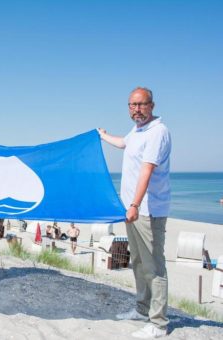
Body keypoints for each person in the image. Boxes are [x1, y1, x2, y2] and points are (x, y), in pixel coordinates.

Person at [98, 87, 171, 339]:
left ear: (152, 105)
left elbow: (146, 170)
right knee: (138, 262)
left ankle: (159, 324)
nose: (136, 109)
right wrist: (103, 136)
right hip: (132, 209)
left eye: (141, 104)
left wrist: (135, 205)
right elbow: (123, 143)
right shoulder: (138, 131)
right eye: (132, 105)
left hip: (148, 211)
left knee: (154, 267)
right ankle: (142, 310)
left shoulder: (157, 132)